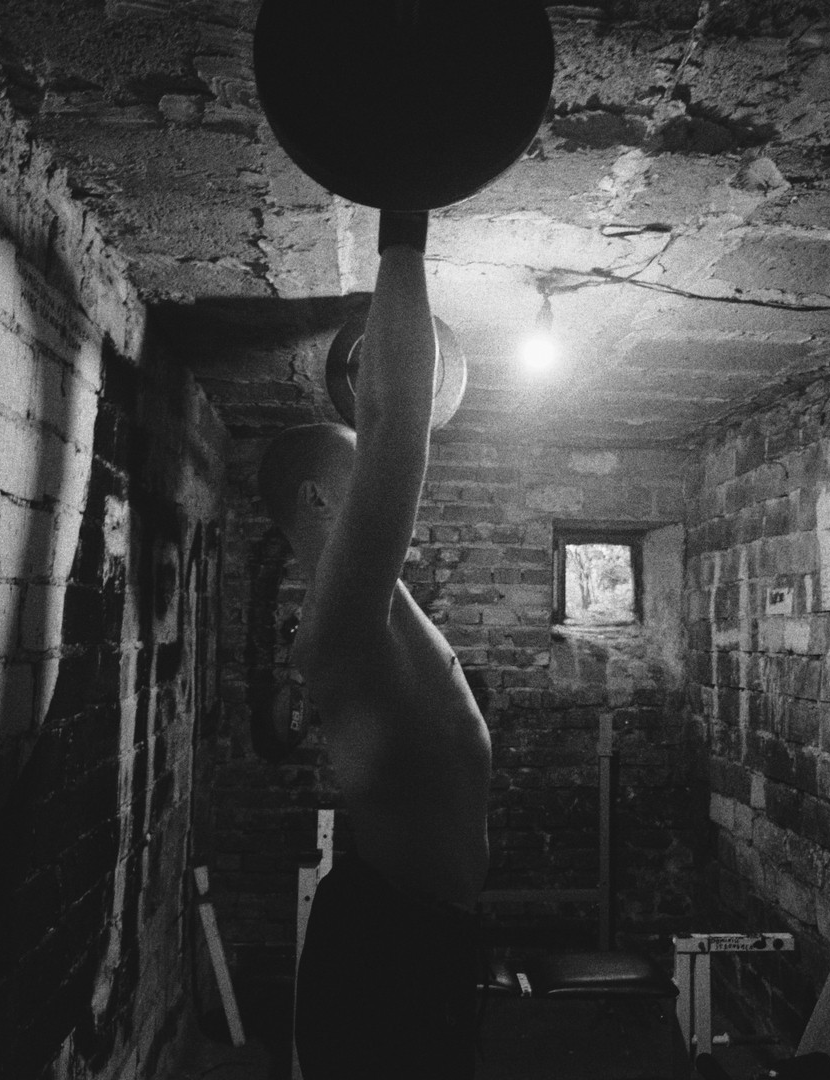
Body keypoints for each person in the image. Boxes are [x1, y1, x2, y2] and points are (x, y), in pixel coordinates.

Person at [261, 210, 493, 1080]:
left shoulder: (365, 606)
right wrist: (404, 220)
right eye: (356, 467)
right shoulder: (344, 618)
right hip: (397, 949)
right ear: (319, 501)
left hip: (410, 937)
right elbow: (397, 419)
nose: (381, 483)